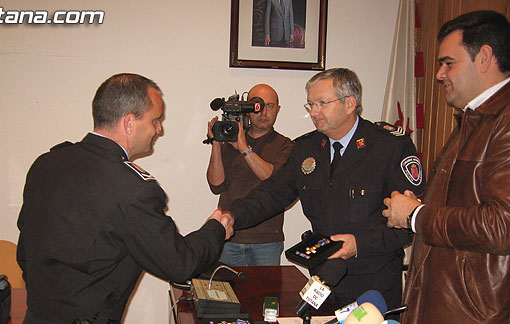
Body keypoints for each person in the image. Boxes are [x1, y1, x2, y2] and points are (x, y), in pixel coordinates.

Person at [16, 73, 233, 324]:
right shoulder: (134, 189)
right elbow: (179, 264)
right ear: (129, 123)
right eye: (155, 120)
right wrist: (216, 228)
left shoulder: (47, 163)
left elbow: (25, 253)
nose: (159, 129)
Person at [219, 68, 424, 310]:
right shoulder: (306, 148)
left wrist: (359, 244)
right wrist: (232, 215)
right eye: (310, 105)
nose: (313, 112)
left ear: (350, 103)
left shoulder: (389, 147)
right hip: (324, 279)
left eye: (321, 103)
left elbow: (409, 224)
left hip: (372, 284)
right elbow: (272, 194)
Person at [382, 10, 510, 323]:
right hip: (442, 306)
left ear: (484, 58)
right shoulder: (474, 120)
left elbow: (503, 225)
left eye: (448, 62)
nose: (439, 74)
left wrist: (416, 216)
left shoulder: (504, 122)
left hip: (473, 314)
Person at [206, 84, 293, 266]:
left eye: (269, 106)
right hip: (229, 236)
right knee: (226, 293)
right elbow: (216, 186)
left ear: (278, 110)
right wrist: (216, 144)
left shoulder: (285, 145)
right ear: (246, 108)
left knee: (267, 295)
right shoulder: (229, 139)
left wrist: (244, 148)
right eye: (256, 105)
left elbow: (273, 179)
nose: (262, 112)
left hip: (266, 241)